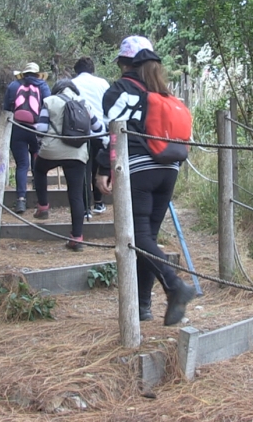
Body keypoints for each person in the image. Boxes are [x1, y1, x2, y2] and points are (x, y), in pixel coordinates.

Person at [95, 35, 196, 326]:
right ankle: (143, 306)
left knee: (137, 237)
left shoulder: (120, 89)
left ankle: (175, 285)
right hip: (169, 168)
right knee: (147, 239)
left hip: (139, 169)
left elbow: (112, 133)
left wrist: (104, 168)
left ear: (124, 62)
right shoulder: (162, 92)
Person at [33, 79, 103, 251]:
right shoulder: (83, 103)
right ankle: (77, 237)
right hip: (77, 153)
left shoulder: (49, 101)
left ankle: (43, 205)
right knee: (76, 194)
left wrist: (43, 143)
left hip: (51, 150)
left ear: (56, 89)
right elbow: (98, 126)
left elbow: (41, 129)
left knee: (39, 169)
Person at [3, 62, 51, 213]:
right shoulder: (42, 86)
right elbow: (49, 106)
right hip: (37, 129)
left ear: (23, 74)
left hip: (17, 129)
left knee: (22, 164)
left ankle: (21, 201)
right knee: (37, 161)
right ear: (38, 74)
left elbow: (6, 108)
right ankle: (39, 193)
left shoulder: (13, 86)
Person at [72, 56, 110, 216]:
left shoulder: (72, 84)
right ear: (92, 69)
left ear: (76, 70)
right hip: (100, 131)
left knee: (83, 169)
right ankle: (99, 203)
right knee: (98, 167)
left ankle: (86, 208)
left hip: (79, 133)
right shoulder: (103, 83)